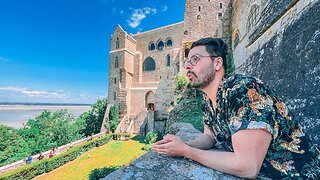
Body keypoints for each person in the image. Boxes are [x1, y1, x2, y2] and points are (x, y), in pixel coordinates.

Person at [152, 37, 320, 179]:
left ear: (217, 63)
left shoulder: (244, 89)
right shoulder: (208, 98)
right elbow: (209, 137)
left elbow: (247, 166)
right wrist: (183, 144)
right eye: (188, 62)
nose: (187, 66)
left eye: (195, 59)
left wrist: (187, 151)